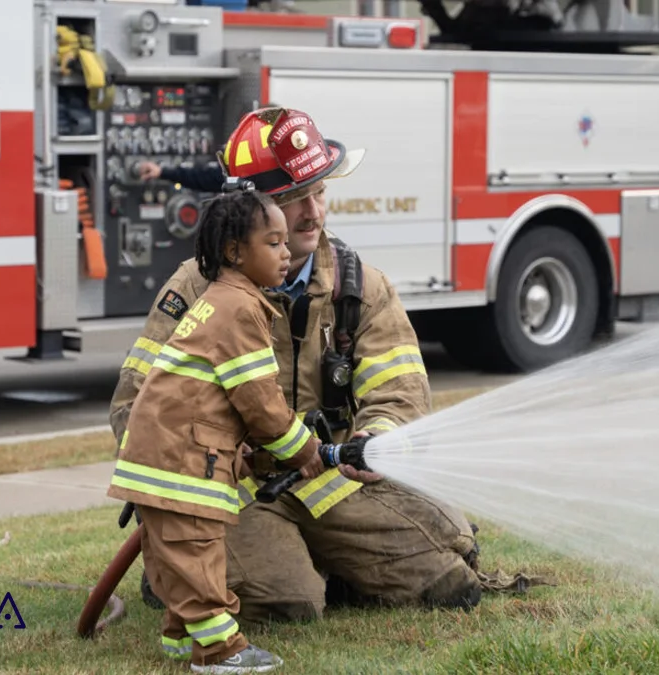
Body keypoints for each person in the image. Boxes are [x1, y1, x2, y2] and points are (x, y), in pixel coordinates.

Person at [109, 106, 482, 634]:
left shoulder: (360, 286)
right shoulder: (196, 288)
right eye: (290, 199)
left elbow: (400, 387)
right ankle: (179, 567)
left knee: (450, 569)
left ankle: (318, 558)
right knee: (291, 602)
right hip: (229, 494)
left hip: (327, 478)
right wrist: (201, 465)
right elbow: (133, 404)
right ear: (248, 210)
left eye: (319, 191)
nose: (312, 212)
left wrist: (376, 436)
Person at [107, 188, 323, 674]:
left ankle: (181, 640)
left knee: (173, 559)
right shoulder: (242, 310)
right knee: (200, 557)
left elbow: (214, 395)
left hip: (158, 457)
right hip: (181, 461)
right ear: (234, 252)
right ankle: (222, 652)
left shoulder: (217, 300)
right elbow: (261, 404)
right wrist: (302, 449)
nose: (286, 253)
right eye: (273, 243)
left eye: (286, 243)